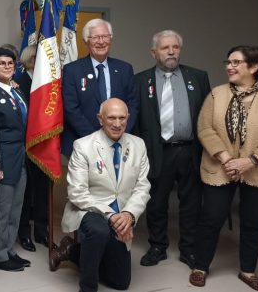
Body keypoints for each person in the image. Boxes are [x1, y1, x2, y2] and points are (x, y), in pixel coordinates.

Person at [189, 46, 258, 292]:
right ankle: (200, 267)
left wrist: (250, 161)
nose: (229, 66)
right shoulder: (216, 94)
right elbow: (205, 128)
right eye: (228, 61)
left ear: (254, 67)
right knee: (211, 218)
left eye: (236, 62)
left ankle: (248, 270)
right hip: (220, 167)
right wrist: (227, 160)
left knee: (253, 222)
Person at [50, 98, 151, 292]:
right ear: (100, 119)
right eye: (111, 118)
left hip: (122, 215)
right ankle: (87, 287)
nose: (117, 123)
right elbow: (77, 193)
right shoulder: (83, 146)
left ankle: (74, 251)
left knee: (121, 283)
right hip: (89, 210)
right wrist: (111, 215)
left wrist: (129, 215)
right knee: (99, 231)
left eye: (122, 118)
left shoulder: (139, 145)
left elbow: (142, 187)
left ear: (128, 118)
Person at [133, 30, 210, 268]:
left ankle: (188, 249)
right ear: (154, 52)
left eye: (175, 47)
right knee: (156, 202)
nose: (171, 52)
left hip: (190, 150)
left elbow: (208, 116)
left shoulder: (197, 77)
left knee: (191, 202)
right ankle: (158, 246)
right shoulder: (140, 80)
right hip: (157, 150)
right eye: (165, 48)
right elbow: (135, 120)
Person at [61, 19, 138, 156]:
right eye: (95, 37)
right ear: (86, 41)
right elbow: (71, 109)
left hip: (119, 144)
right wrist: (97, 140)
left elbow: (133, 104)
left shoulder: (125, 69)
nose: (101, 42)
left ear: (111, 39)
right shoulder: (72, 70)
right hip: (83, 144)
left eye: (105, 36)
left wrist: (119, 134)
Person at [0, 48, 31, 272]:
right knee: (1, 210)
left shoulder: (17, 90)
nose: (6, 66)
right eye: (1, 63)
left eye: (10, 63)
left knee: (16, 208)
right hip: (3, 158)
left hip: (20, 157)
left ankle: (9, 248)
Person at [13, 45, 49, 251]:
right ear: (31, 60)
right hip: (24, 145)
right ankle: (23, 232)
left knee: (43, 190)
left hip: (44, 144)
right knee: (25, 192)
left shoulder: (47, 83)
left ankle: (42, 230)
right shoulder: (19, 82)